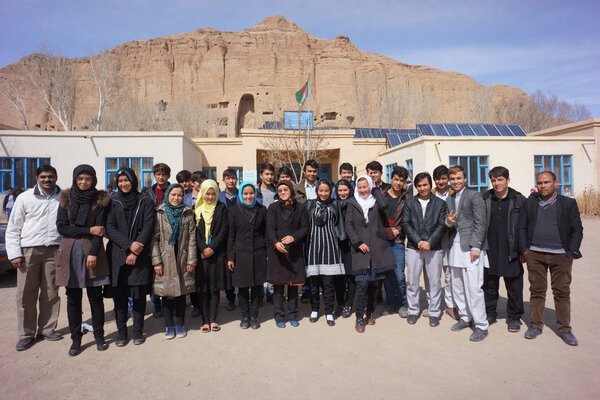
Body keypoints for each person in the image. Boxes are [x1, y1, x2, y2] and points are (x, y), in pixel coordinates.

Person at [518, 171, 583, 346]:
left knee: (561, 292)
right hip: (535, 254)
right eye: (539, 183)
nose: (543, 186)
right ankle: (535, 325)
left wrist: (570, 251)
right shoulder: (530, 203)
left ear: (555, 183)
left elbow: (577, 229)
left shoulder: (568, 204)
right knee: (537, 291)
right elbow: (521, 227)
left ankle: (565, 329)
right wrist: (525, 250)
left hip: (561, 256)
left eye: (546, 182)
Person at [56, 164, 111, 356]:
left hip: (92, 251)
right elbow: (62, 228)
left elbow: (100, 230)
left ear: (93, 180)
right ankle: (76, 339)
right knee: (73, 298)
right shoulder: (65, 199)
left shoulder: (100, 200)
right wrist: (88, 230)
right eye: (80, 178)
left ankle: (99, 336)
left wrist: (94, 253)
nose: (83, 182)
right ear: (74, 179)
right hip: (70, 251)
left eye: (87, 179)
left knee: (95, 297)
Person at [6, 165, 63, 352]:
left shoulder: (62, 197)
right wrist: (14, 253)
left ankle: (47, 329)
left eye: (51, 176)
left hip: (53, 249)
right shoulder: (25, 198)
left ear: (56, 177)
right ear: (37, 177)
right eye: (43, 177)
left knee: (51, 292)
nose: (47, 180)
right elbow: (13, 227)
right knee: (25, 293)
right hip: (29, 250)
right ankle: (26, 334)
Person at [106, 167, 156, 346]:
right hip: (118, 256)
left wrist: (136, 249)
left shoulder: (145, 201)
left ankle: (137, 331)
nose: (123, 184)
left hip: (140, 256)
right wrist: (128, 247)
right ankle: (121, 332)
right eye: (120, 181)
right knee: (119, 297)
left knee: (138, 296)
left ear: (133, 181)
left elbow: (149, 224)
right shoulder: (112, 201)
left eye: (126, 180)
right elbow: (110, 228)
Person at [345, 175, 396, 333]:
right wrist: (358, 243)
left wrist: (374, 188)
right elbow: (349, 225)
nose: (362, 190)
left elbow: (384, 204)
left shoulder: (376, 201)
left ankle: (370, 312)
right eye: (359, 187)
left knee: (374, 285)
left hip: (376, 248)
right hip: (361, 250)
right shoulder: (352, 203)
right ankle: (359, 317)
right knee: (362, 285)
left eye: (365, 186)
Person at [445, 165, 489, 342]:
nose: (455, 182)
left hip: (471, 248)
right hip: (454, 247)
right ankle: (465, 317)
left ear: (465, 179)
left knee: (474, 288)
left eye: (459, 178)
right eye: (453, 179)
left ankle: (481, 325)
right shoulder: (450, 198)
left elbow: (481, 222)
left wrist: (476, 246)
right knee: (457, 286)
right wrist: (448, 222)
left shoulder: (474, 195)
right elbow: (448, 223)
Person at [482, 166, 526, 332]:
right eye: (493, 180)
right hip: (490, 249)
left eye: (500, 179)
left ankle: (514, 317)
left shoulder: (519, 200)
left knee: (514, 286)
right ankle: (490, 313)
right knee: (489, 285)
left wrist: (523, 250)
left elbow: (525, 226)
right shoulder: (485, 198)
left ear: (508, 180)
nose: (496, 183)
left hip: (511, 250)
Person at [401, 172, 448, 327]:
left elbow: (442, 225)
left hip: (434, 248)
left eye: (425, 185)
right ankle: (413, 310)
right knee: (413, 281)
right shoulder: (409, 203)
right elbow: (406, 223)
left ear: (430, 185)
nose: (423, 188)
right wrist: (419, 241)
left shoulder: (440, 204)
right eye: (419, 185)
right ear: (415, 187)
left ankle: (434, 312)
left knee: (434, 282)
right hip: (414, 247)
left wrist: (429, 242)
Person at [152, 183, 197, 339]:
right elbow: (154, 239)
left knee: (181, 294)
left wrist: (191, 260)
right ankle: (169, 325)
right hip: (165, 259)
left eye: (179, 195)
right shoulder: (160, 212)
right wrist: (157, 261)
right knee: (166, 295)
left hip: (182, 258)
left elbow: (192, 239)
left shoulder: (188, 213)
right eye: (173, 195)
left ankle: (179, 324)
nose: (176, 198)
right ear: (168, 195)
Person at [266, 180, 309, 328]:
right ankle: (279, 317)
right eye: (280, 190)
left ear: (291, 190)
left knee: (293, 286)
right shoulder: (273, 208)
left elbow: (305, 228)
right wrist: (276, 243)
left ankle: (292, 315)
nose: (283, 192)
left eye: (285, 189)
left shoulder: (301, 208)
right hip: (277, 252)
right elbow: (270, 229)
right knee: (278, 287)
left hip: (295, 252)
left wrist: (294, 237)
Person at [227, 182, 267, 329]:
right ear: (241, 195)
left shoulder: (262, 210)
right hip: (240, 254)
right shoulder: (233, 210)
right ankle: (245, 315)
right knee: (242, 287)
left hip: (258, 253)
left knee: (257, 286)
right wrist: (230, 257)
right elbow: (231, 235)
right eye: (245, 194)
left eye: (251, 193)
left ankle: (254, 316)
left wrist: (267, 253)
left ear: (255, 194)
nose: (248, 196)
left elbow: (266, 233)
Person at [305, 179, 346, 326]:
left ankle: (329, 311)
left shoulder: (335, 204)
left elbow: (339, 223)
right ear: (317, 191)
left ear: (330, 191)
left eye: (326, 191)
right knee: (314, 283)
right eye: (321, 190)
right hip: (313, 247)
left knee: (329, 284)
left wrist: (342, 238)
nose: (323, 193)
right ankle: (315, 309)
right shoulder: (309, 204)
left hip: (330, 246)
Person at [195, 179, 230, 332]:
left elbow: (224, 230)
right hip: (201, 255)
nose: (209, 197)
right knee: (202, 288)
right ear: (202, 193)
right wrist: (203, 248)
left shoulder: (222, 208)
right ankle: (205, 321)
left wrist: (211, 247)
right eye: (207, 194)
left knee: (214, 288)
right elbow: (193, 232)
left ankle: (214, 319)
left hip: (216, 254)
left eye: (212, 194)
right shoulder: (196, 209)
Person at [142, 162, 172, 318]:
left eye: (164, 174)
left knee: (168, 270)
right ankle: (156, 305)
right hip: (151, 233)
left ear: (168, 176)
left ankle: (169, 301)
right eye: (158, 174)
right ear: (154, 176)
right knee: (154, 270)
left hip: (169, 234)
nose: (161, 177)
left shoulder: (173, 190)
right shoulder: (147, 192)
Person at [382, 165, 410, 318]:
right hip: (383, 242)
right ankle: (390, 304)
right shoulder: (382, 195)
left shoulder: (407, 198)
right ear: (391, 179)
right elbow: (375, 218)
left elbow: (409, 220)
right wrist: (384, 229)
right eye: (396, 179)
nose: (398, 183)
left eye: (401, 180)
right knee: (387, 276)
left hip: (398, 241)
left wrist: (398, 230)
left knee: (399, 275)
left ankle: (402, 304)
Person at [432, 165, 457, 320]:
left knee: (449, 274)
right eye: (438, 179)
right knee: (433, 275)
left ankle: (450, 305)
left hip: (450, 238)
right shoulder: (430, 193)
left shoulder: (454, 194)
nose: (441, 181)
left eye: (443, 178)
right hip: (434, 238)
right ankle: (433, 306)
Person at [217, 169, 238, 310]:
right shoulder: (218, 196)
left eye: (233, 178)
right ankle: (230, 297)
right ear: (224, 180)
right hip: (223, 237)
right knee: (227, 269)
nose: (231, 181)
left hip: (240, 235)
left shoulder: (242, 194)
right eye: (228, 178)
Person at [335, 179, 356, 318]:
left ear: (350, 190)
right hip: (336, 245)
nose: (343, 193)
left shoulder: (354, 204)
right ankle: (340, 303)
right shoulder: (333, 204)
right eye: (340, 190)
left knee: (350, 276)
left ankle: (349, 304)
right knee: (338, 277)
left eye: (345, 190)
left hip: (351, 245)